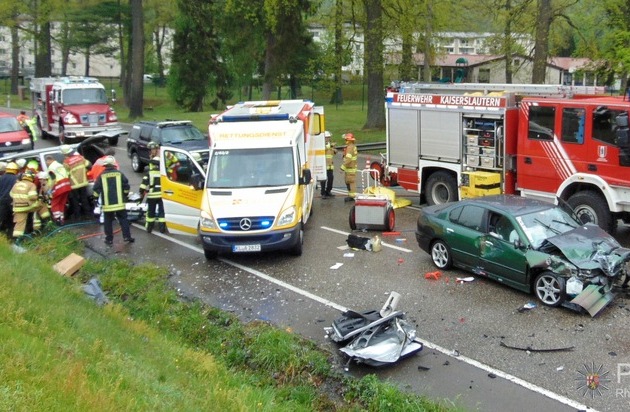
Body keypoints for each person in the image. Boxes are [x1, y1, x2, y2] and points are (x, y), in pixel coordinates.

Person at [92, 155, 134, 246]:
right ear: (113, 164)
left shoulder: (101, 176)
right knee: (123, 220)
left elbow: (96, 189)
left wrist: (95, 199)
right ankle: (127, 237)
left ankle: (109, 239)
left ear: (105, 165)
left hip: (107, 205)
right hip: (119, 203)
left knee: (108, 222)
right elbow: (126, 186)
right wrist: (125, 195)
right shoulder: (119, 174)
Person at [9, 170, 50, 239]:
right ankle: (47, 220)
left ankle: (17, 240)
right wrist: (38, 197)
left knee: (20, 223)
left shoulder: (16, 184)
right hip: (28, 206)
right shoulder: (31, 185)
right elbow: (32, 197)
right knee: (41, 204)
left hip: (17, 208)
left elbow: (11, 194)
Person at [61, 144, 93, 220]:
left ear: (65, 153)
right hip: (83, 182)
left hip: (73, 184)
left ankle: (78, 217)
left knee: (75, 201)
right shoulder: (80, 157)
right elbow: (89, 165)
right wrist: (84, 171)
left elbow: (66, 174)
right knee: (84, 199)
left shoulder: (66, 162)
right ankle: (88, 215)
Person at [139, 157, 166, 234]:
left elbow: (143, 185)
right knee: (162, 212)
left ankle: (149, 228)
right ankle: (162, 229)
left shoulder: (149, 173)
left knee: (151, 212)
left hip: (152, 196)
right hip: (161, 195)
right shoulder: (163, 173)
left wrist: (141, 192)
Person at [45, 155, 72, 225]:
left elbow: (53, 179)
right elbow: (68, 173)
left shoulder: (51, 168)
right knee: (62, 203)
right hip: (66, 185)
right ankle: (61, 218)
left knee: (55, 203)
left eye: (46, 162)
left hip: (59, 186)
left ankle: (57, 219)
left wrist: (50, 189)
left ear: (49, 160)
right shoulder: (60, 165)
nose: (46, 163)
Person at [0, 162, 19, 236]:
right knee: (11, 220)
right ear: (15, 170)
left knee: (2, 218)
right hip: (12, 202)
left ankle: (2, 233)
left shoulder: (1, 178)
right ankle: (10, 235)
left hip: (2, 201)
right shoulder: (16, 179)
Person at [340, 132, 358, 202]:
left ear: (349, 140)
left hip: (350, 168)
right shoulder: (352, 146)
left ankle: (352, 196)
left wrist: (342, 167)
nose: (345, 141)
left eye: (346, 139)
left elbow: (348, 159)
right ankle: (351, 195)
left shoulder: (350, 147)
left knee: (350, 182)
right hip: (350, 168)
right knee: (348, 182)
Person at [320, 131, 336, 199]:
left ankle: (328, 191)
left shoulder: (330, 145)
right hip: (324, 165)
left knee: (331, 179)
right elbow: (323, 150)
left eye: (329, 137)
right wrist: (330, 147)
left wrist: (334, 150)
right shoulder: (321, 144)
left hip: (330, 166)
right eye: (327, 137)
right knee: (323, 180)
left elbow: (333, 153)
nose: (328, 139)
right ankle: (323, 193)